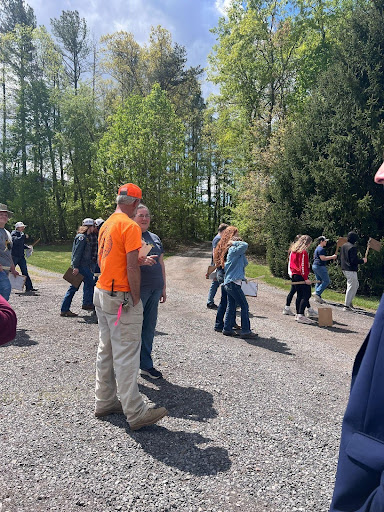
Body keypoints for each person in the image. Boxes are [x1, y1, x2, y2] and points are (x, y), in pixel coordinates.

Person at [329, 167, 384, 511]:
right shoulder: (349, 246)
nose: (378, 176)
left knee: (353, 285)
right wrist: (357, 260)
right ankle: (346, 304)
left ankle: (346, 302)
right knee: (353, 286)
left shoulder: (347, 245)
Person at [94, 183, 167, 430]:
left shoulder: (107, 224)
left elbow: (104, 257)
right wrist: (135, 298)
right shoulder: (130, 225)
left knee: (107, 350)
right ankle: (135, 413)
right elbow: (132, 267)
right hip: (121, 296)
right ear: (135, 203)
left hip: (103, 291)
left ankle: (104, 401)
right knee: (126, 354)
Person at [133, 204, 166, 379]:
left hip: (155, 288)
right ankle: (129, 366)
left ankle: (145, 364)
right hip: (138, 289)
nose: (144, 218)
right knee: (133, 328)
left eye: (147, 215)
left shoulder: (154, 237)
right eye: (140, 215)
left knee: (149, 328)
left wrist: (163, 287)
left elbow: (161, 263)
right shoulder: (130, 235)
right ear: (133, 217)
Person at [216, 226, 258, 339]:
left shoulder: (237, 254)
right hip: (233, 283)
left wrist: (241, 253)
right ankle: (245, 331)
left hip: (231, 283)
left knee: (231, 305)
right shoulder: (234, 250)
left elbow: (245, 263)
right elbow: (245, 245)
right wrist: (234, 243)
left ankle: (227, 329)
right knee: (244, 305)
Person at [60, 218, 96, 317]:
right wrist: (75, 266)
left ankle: (86, 303)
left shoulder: (85, 237)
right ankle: (66, 309)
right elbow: (77, 253)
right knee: (77, 287)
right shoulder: (82, 238)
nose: (94, 228)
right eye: (93, 226)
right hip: (81, 267)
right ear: (89, 227)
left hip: (83, 266)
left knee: (86, 284)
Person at [214, 226, 241, 335]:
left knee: (225, 300)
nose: (237, 236)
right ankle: (225, 326)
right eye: (236, 234)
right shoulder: (229, 246)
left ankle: (221, 324)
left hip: (221, 273)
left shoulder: (220, 244)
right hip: (226, 274)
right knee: (230, 301)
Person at [289, 235, 317, 324]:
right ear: (307, 243)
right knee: (306, 294)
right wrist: (305, 278)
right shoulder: (303, 252)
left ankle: (298, 314)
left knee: (300, 295)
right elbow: (303, 266)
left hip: (294, 275)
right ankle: (300, 314)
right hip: (300, 275)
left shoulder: (293, 251)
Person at [340, 231, 367, 312]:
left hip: (344, 268)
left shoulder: (344, 246)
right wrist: (362, 260)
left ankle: (349, 302)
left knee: (355, 285)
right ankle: (346, 306)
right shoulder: (352, 247)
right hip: (350, 269)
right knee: (351, 286)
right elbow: (353, 261)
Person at [11, 221, 37, 292]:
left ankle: (29, 287)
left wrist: (27, 247)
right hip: (14, 256)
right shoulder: (13, 234)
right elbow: (16, 241)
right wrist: (23, 236)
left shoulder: (21, 234)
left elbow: (21, 245)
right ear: (17, 227)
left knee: (25, 272)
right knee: (9, 271)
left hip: (21, 256)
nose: (23, 228)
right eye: (22, 227)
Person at [207, 223, 228, 309]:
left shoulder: (219, 238)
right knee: (219, 283)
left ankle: (210, 301)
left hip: (218, 264)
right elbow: (214, 251)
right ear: (223, 231)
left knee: (215, 283)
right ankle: (210, 302)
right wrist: (216, 264)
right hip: (218, 265)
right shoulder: (218, 239)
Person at [0, 203, 19, 301]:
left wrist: (12, 268)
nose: (3, 216)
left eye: (5, 215)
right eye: (1, 214)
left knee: (4, 296)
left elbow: (8, 252)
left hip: (5, 269)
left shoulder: (6, 232)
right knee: (5, 289)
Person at [311, 236, 337, 304]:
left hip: (315, 266)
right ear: (321, 241)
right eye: (325, 241)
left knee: (319, 281)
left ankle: (317, 297)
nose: (326, 242)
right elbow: (323, 258)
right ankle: (317, 293)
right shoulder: (321, 249)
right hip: (320, 266)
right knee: (326, 280)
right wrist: (332, 257)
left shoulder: (317, 248)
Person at [283, 235, 301, 316]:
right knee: (301, 292)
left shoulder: (293, 249)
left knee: (294, 291)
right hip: (294, 273)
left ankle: (287, 308)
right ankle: (304, 310)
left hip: (292, 273)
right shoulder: (295, 250)